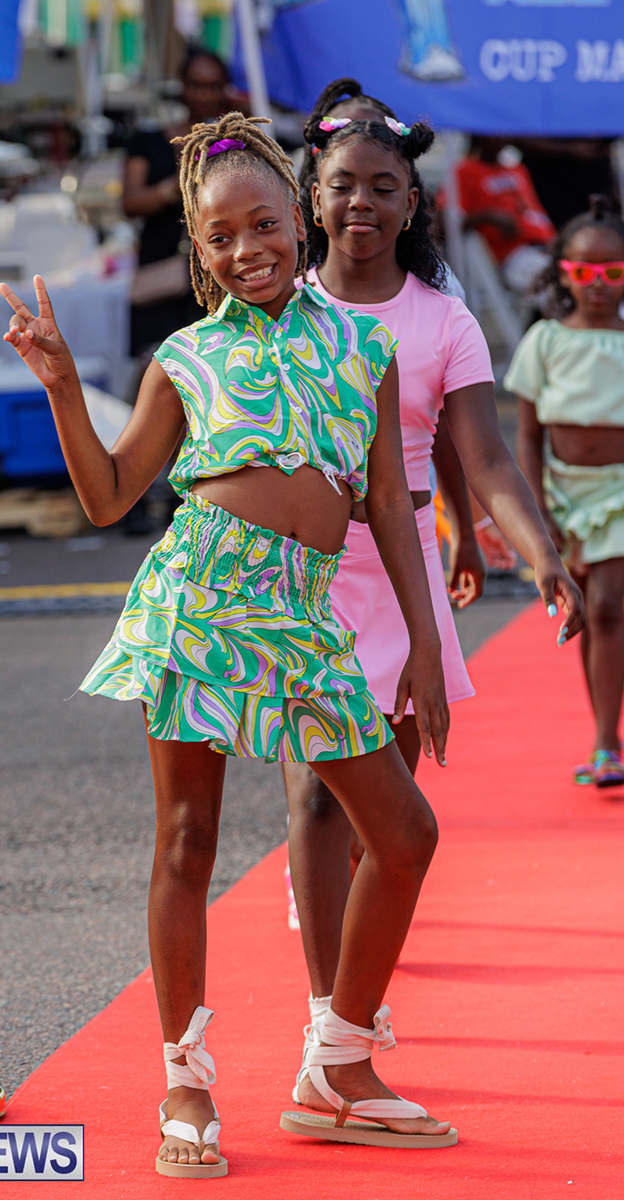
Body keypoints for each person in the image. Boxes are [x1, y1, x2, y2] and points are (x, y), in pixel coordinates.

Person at [0, 109, 486, 1174]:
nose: (244, 249)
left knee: (403, 836)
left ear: (297, 225)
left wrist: (420, 641)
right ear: (198, 248)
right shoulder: (184, 357)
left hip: (307, 617)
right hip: (202, 601)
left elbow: (393, 511)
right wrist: (62, 385)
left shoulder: (366, 346)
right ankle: (184, 1081)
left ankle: (337, 1063)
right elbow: (107, 494)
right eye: (218, 237)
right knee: (186, 843)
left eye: (261, 224)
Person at [282, 84, 585, 1100]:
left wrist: (534, 553)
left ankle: (346, 1010)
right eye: (340, 187)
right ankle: (330, 1028)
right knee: (317, 809)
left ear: (411, 205)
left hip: (400, 571)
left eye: (382, 188)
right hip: (302, 574)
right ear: (309, 198)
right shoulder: (282, 308)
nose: (359, 204)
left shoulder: (443, 319)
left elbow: (487, 456)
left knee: (387, 816)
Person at [511, 196, 624, 787]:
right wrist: (537, 509)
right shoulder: (545, 340)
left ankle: (608, 744)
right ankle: (605, 729)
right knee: (589, 610)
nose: (598, 284)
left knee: (608, 604)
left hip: (620, 494)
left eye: (612, 271)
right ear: (563, 271)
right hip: (563, 493)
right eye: (584, 271)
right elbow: (527, 437)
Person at [123, 48, 230, 357]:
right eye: (196, 85)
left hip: (213, 275)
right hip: (163, 267)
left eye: (213, 87)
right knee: (160, 361)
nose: (204, 95)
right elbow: (131, 202)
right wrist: (177, 184)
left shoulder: (234, 144)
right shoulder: (149, 141)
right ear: (182, 86)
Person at [450, 136, 555, 295]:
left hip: (544, 247)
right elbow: (447, 225)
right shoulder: (464, 171)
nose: (501, 136)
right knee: (556, 282)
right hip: (511, 257)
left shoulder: (517, 169)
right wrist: (487, 216)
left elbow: (535, 211)